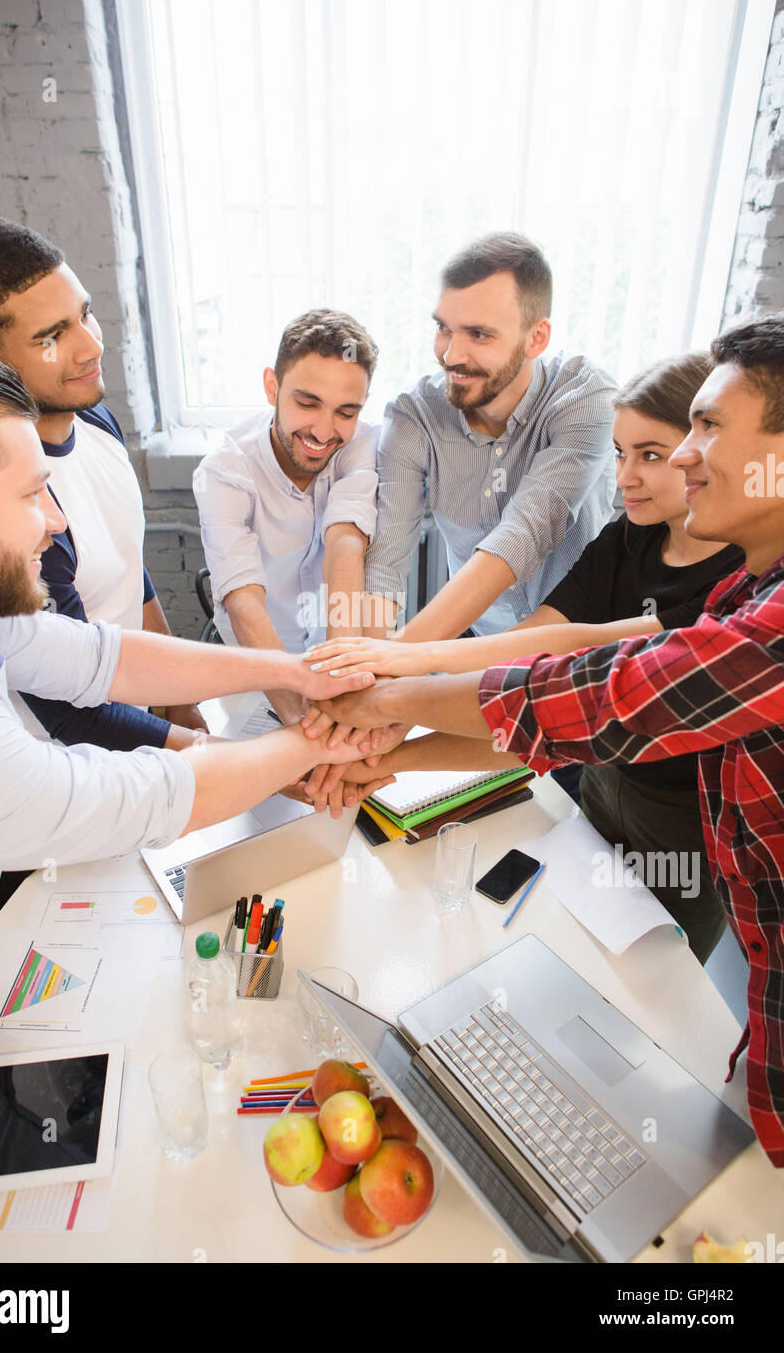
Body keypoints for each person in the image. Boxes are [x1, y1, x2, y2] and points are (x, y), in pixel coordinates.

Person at [300, 316, 784, 1168]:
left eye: (707, 428)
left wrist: (388, 696)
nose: (675, 460)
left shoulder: (764, 627)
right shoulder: (743, 587)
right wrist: (394, 740)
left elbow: (598, 700)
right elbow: (560, 676)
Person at [0, 354, 382, 1083]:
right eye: (33, 495)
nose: (56, 522)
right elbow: (146, 794)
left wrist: (292, 671)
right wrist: (318, 738)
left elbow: (108, 658)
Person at [303, 353, 745, 963]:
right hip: (598, 789)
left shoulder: (733, 592)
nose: (624, 478)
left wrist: (402, 670)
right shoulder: (630, 535)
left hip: (682, 829)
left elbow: (569, 666)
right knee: (579, 957)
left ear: (702, 450)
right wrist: (390, 748)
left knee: (659, 987)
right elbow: (536, 664)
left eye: (650, 454)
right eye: (619, 453)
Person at [0, 217, 206, 753]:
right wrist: (223, 761)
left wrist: (180, 696)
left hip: (144, 722)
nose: (91, 347)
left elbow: (125, 565)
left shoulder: (96, 420)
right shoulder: (9, 505)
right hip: (74, 759)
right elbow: (75, 714)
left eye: (85, 315)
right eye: (52, 336)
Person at [361, 231, 617, 642]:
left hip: (579, 646)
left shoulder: (585, 397)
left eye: (479, 335)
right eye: (444, 328)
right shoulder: (414, 415)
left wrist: (394, 661)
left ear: (536, 338)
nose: (451, 355)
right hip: (478, 638)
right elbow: (385, 562)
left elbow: (523, 535)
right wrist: (367, 668)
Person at [192, 309, 379, 727]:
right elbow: (243, 600)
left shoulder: (364, 444)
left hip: (340, 648)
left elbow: (345, 544)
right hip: (257, 669)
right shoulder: (224, 471)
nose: (323, 431)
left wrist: (340, 681)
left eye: (345, 412)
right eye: (307, 403)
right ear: (271, 386)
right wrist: (299, 716)